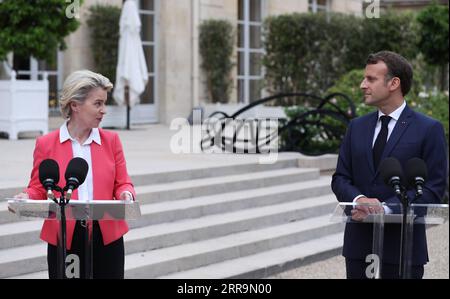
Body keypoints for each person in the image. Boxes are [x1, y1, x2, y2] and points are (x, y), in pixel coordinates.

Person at [332, 51, 447, 279]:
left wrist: (385, 209)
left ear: (394, 83)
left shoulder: (428, 129)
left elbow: (434, 188)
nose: (363, 84)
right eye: (365, 78)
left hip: (403, 249)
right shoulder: (356, 127)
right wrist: (359, 200)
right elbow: (340, 178)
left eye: (371, 79)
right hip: (359, 248)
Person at [14, 70, 136, 279]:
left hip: (106, 235)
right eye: (97, 103)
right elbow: (39, 187)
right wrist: (27, 197)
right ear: (75, 105)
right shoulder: (46, 144)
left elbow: (123, 183)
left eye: (104, 103)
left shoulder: (112, 141)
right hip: (65, 235)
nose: (104, 110)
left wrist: (126, 194)